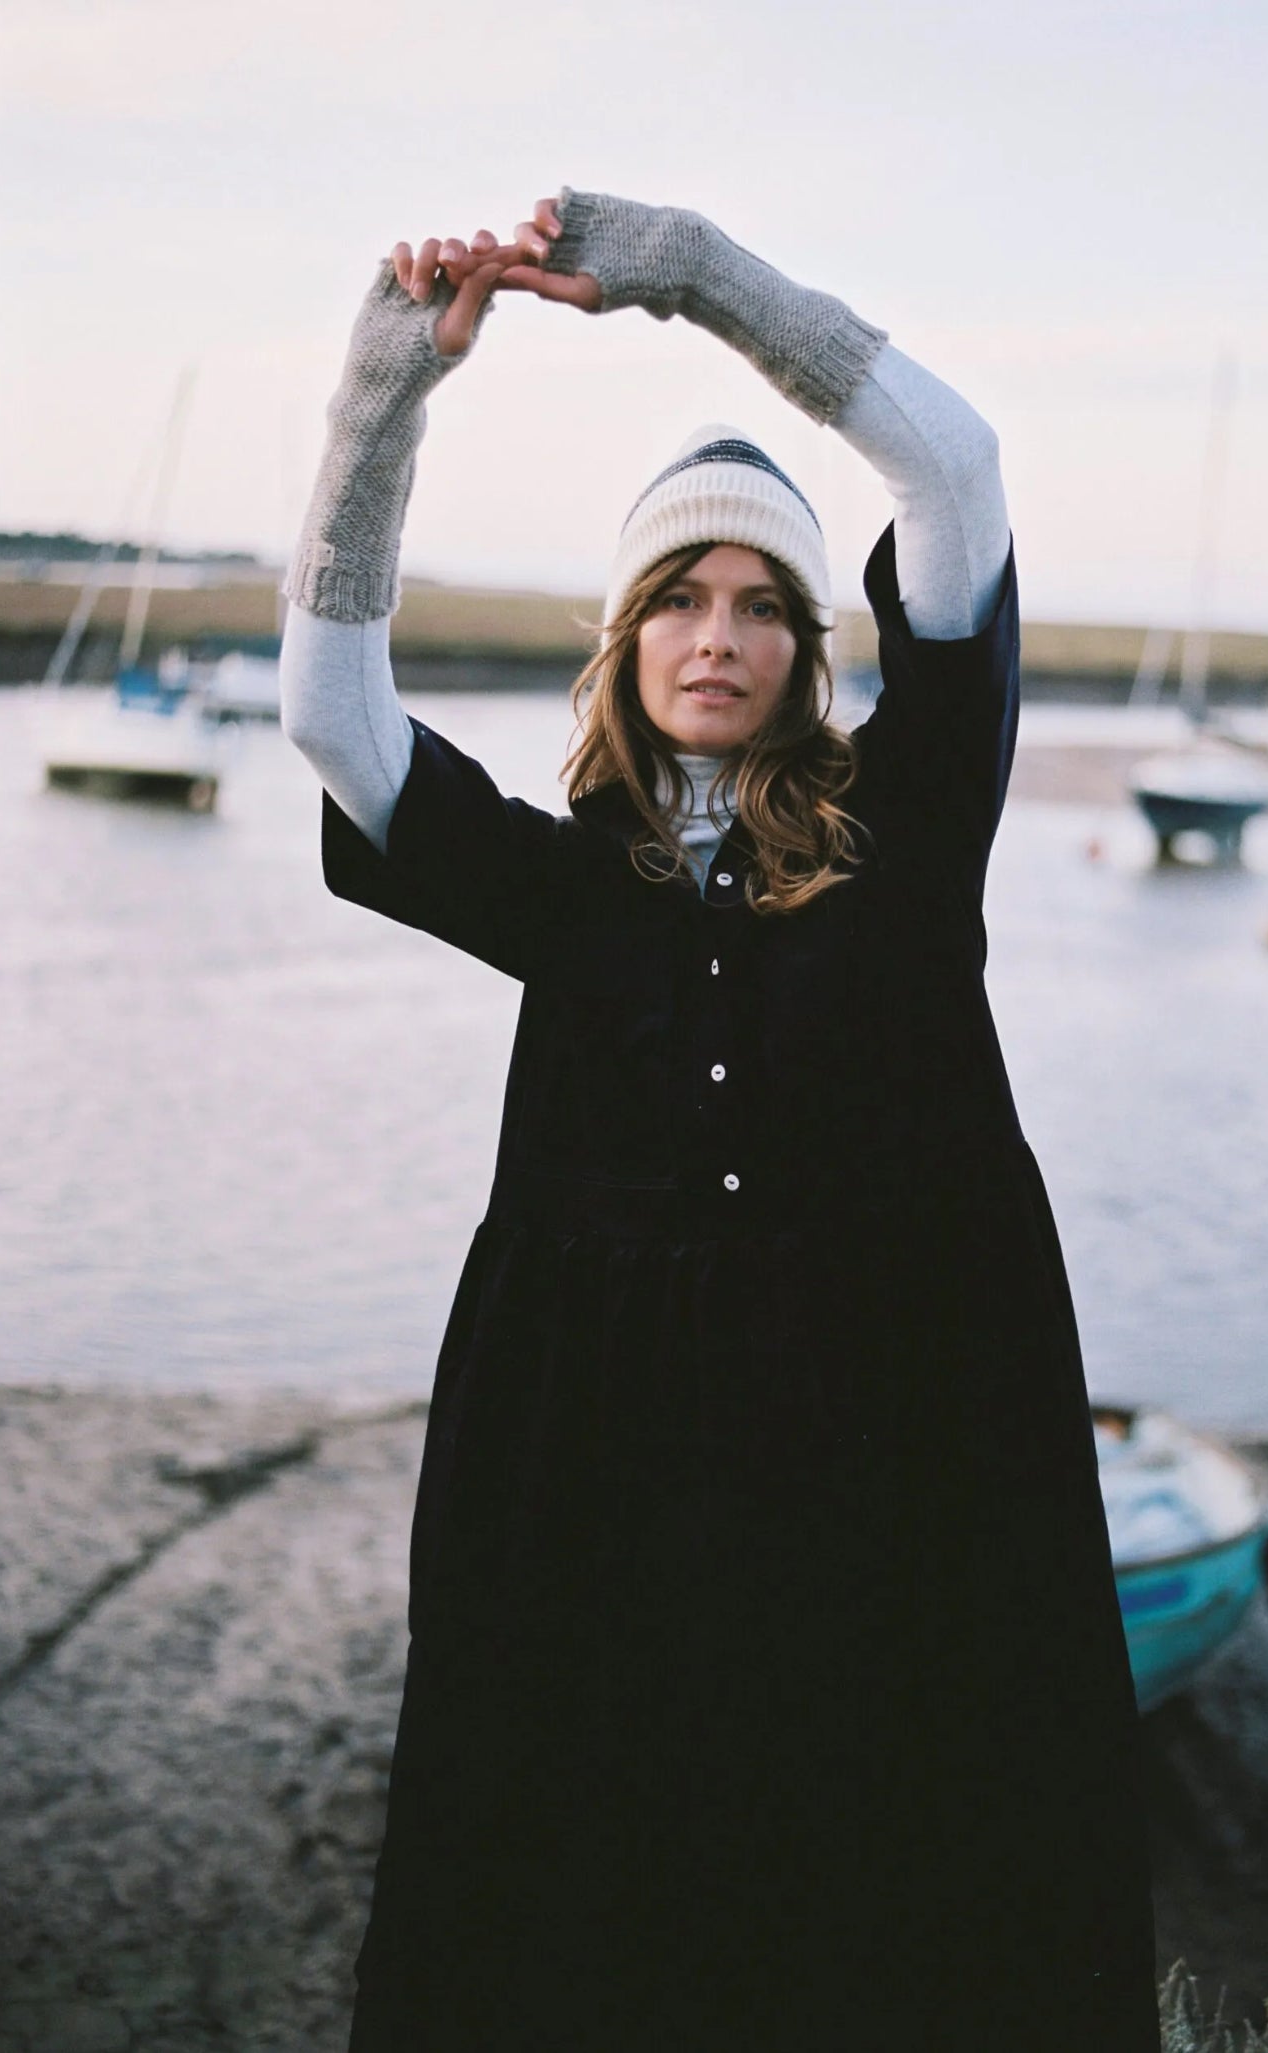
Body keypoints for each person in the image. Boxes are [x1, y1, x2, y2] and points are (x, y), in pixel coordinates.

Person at [280, 188, 1160, 2052]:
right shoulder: (559, 884)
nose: (718, 633)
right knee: (587, 1923)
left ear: (808, 650)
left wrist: (693, 275)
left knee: (877, 1917)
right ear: (622, 638)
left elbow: (954, 467)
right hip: (591, 1483)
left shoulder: (907, 827)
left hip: (883, 1462)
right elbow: (335, 724)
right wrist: (383, 399)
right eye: (678, 594)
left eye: (764, 602)